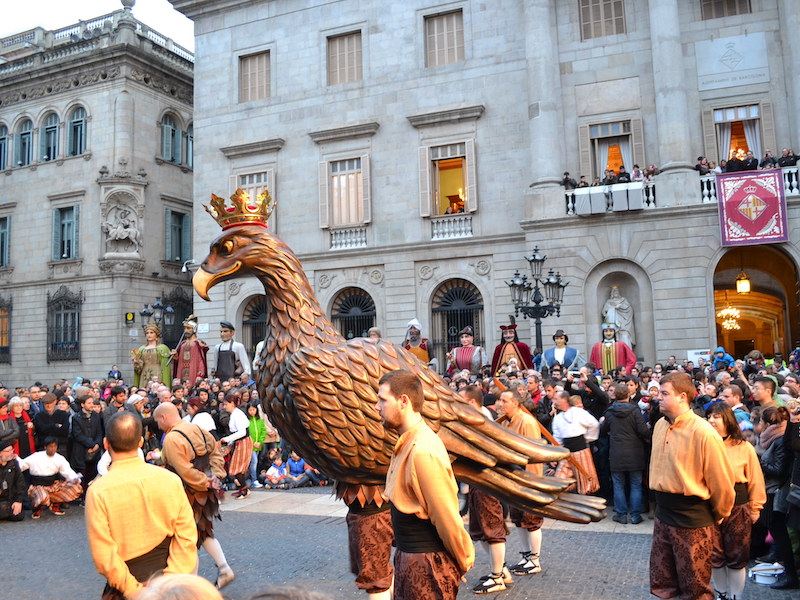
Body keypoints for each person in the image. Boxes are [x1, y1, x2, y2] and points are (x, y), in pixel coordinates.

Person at [377, 370, 474, 599]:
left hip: (426, 565)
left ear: (403, 402)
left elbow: (446, 516)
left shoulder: (422, 449)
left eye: (382, 400)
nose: (376, 406)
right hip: (412, 560)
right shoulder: (408, 442)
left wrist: (462, 558)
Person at [86, 411, 197, 599]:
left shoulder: (98, 491)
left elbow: (104, 555)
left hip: (127, 586)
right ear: (140, 442)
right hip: (171, 584)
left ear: (106, 444)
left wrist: (134, 590)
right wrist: (171, 579)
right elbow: (187, 535)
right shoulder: (170, 479)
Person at [649, 372, 735, 600]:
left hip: (693, 520)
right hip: (663, 514)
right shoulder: (659, 425)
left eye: (665, 393)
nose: (658, 397)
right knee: (664, 584)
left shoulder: (703, 432)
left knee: (695, 588)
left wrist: (718, 515)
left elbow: (723, 484)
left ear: (682, 397)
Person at [155, 402, 234, 590]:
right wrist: (216, 476)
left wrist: (207, 481)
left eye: (157, 421)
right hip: (205, 492)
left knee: (187, 537)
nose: (157, 425)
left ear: (164, 417)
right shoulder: (198, 429)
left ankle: (194, 585)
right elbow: (216, 452)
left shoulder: (172, 438)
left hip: (188, 493)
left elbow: (185, 471)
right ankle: (222, 569)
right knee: (202, 532)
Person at [705, 403, 766, 600]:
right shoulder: (703, 444)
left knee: (737, 556)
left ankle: (735, 596)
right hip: (709, 507)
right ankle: (721, 594)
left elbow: (756, 480)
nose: (712, 420)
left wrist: (756, 508)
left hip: (738, 505)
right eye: (709, 416)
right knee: (714, 555)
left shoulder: (744, 447)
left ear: (727, 420)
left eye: (716, 416)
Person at [461, 386, 514, 594]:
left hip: (486, 481)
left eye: (461, 400)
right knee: (481, 531)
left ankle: (497, 577)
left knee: (493, 530)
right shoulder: (476, 419)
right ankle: (500, 570)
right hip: (477, 481)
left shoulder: (481, 421)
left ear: (472, 402)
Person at [495, 387, 545, 578]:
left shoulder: (526, 421)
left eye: (505, 401)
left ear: (515, 403)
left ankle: (535, 559)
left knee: (531, 520)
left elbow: (533, 454)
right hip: (514, 477)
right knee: (519, 519)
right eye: (500, 400)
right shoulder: (507, 422)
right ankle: (526, 556)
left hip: (527, 479)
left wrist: (531, 483)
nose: (501, 404)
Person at [601, 383, 651, 524]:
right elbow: (643, 431)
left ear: (615, 396)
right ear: (628, 395)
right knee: (636, 484)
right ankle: (635, 515)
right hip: (635, 453)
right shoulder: (635, 411)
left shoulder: (610, 412)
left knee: (618, 484)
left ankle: (621, 514)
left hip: (617, 453)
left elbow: (602, 431)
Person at [551, 392, 600, 495]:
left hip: (581, 450)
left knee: (587, 484)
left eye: (557, 399)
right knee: (559, 482)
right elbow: (557, 439)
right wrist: (555, 455)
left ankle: (588, 507)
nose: (555, 401)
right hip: (566, 453)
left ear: (564, 399)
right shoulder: (558, 418)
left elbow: (594, 424)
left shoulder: (579, 412)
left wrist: (588, 438)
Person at [22, 436, 83, 518]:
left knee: (76, 488)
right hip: (38, 486)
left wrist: (74, 479)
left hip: (52, 485)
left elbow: (68, 471)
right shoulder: (36, 456)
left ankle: (55, 505)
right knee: (43, 497)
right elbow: (22, 465)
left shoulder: (59, 458)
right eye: (51, 446)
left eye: (55, 446)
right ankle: (36, 509)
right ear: (45, 447)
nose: (53, 449)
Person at [220, 390, 253, 499]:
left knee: (238, 467)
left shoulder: (237, 414)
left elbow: (242, 432)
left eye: (226, 404)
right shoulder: (235, 414)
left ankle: (244, 489)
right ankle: (243, 488)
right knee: (237, 467)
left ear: (232, 404)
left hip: (243, 441)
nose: (225, 407)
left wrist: (228, 439)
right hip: (239, 441)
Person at [172, 315, 209, 386]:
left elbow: (201, 360)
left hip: (193, 372)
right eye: (185, 328)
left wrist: (200, 374)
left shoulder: (198, 344)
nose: (186, 330)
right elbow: (178, 360)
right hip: (181, 372)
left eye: (188, 328)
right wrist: (176, 357)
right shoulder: (182, 344)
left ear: (194, 329)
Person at [33, 393, 70, 457]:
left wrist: (48, 428)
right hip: (44, 447)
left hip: (60, 446)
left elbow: (65, 431)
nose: (49, 405)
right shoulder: (39, 416)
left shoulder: (63, 414)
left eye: (50, 403)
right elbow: (41, 430)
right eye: (46, 403)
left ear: (55, 402)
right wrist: (55, 426)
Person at [0, 439, 25, 522]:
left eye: (12, 450)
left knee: (18, 516)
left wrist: (18, 501)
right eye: (8, 451)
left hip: (9, 498)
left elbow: (20, 483)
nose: (11, 453)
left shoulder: (14, 464)